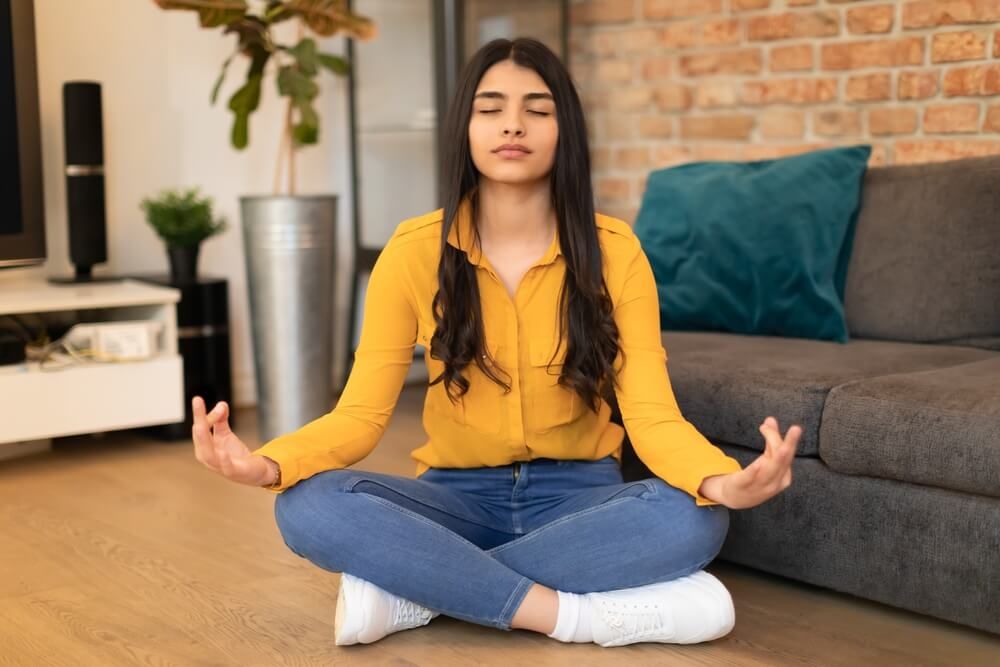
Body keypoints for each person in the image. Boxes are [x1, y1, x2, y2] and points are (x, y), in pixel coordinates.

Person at [190, 37, 801, 649]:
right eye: (491, 108)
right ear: (465, 127)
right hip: (457, 501)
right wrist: (266, 463)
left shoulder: (615, 251)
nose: (513, 124)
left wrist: (721, 481)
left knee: (694, 518)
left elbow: (652, 415)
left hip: (581, 499)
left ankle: (420, 587)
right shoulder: (413, 252)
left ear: (566, 130)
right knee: (306, 506)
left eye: (538, 109)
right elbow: (359, 416)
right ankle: (568, 616)